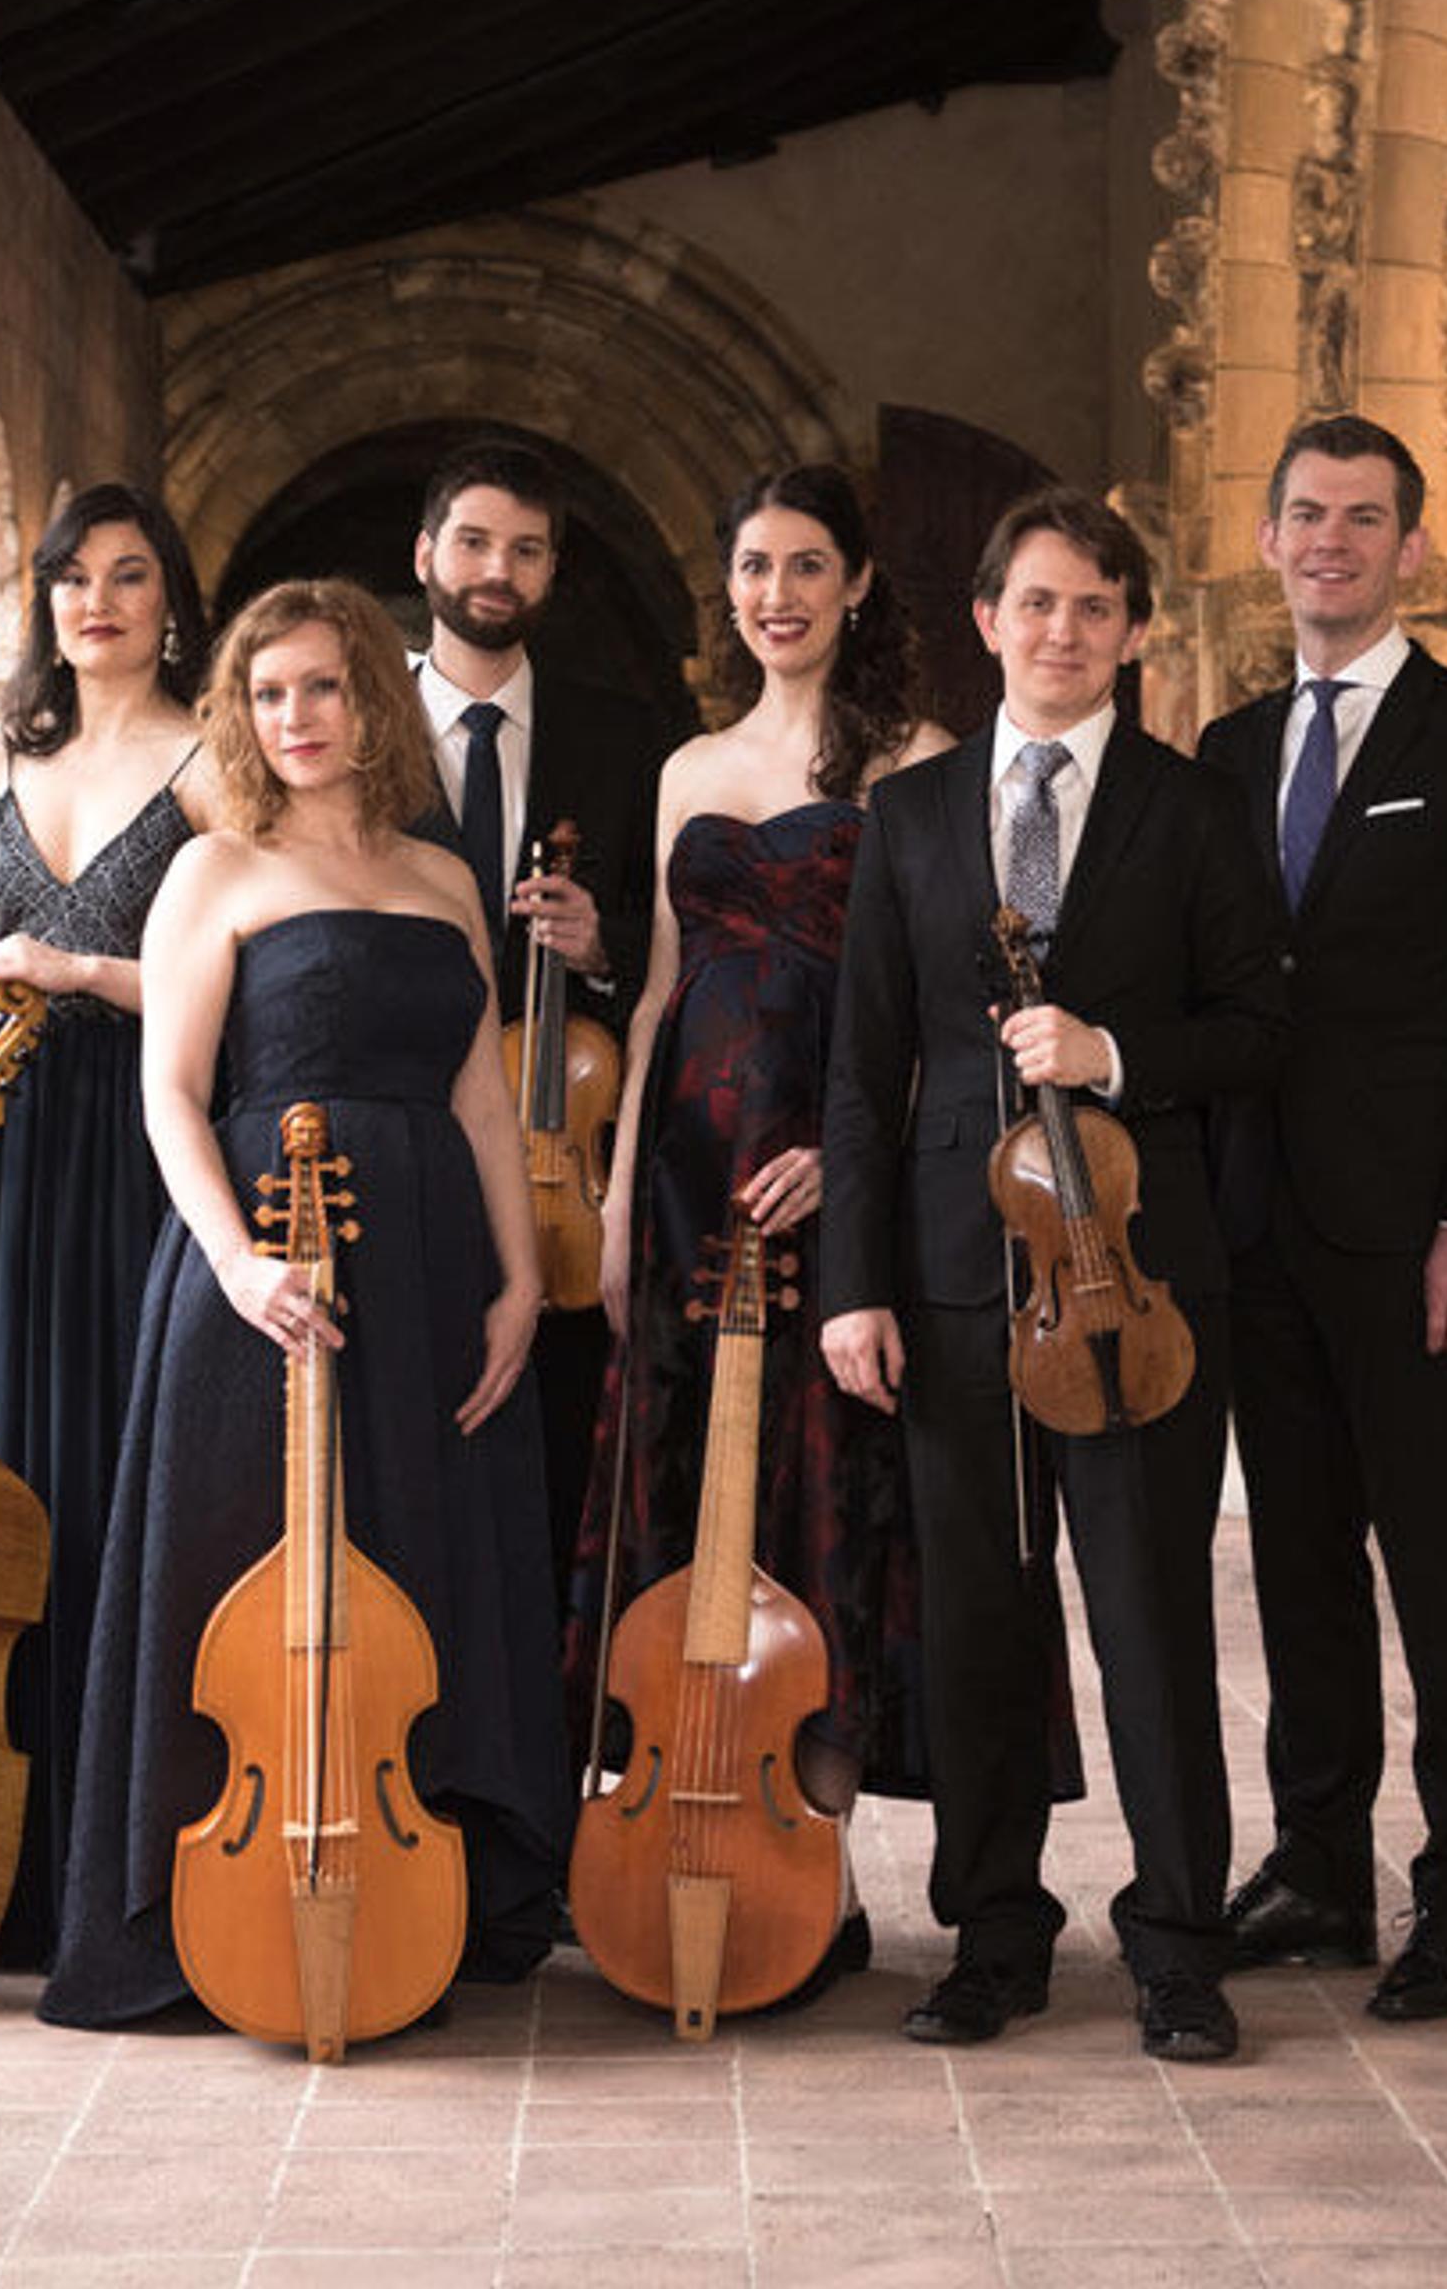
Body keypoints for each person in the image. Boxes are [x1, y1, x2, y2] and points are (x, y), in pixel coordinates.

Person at [40, 578, 572, 2029]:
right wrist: (232, 1263)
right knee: (236, 1583)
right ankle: (223, 1907)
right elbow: (171, 1093)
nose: (295, 718)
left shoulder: (444, 878)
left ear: (372, 699)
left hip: (435, 1268)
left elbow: (479, 1096)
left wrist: (522, 1277)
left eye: (322, 686)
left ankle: (418, 1898)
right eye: (267, 694)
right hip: (265, 1272)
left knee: (427, 1567)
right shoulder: (213, 870)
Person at [817, 487, 1288, 2064]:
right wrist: (855, 1283)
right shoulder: (911, 814)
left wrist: (1115, 1053)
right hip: (960, 1279)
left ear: (1134, 630)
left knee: (1151, 1619)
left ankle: (1179, 1944)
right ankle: (994, 1935)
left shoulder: (1194, 805)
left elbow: (1261, 1030)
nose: (1063, 630)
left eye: (1095, 605)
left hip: (1138, 1285)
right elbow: (862, 1069)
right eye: (1036, 601)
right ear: (986, 618)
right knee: (979, 1625)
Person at [1193, 413, 1447, 2024]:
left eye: (1361, 517)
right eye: (1306, 514)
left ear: (1410, 546)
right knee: (1299, 1571)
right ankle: (1320, 1872)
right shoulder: (1225, 751)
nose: (1330, 541)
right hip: (1256, 1234)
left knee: (1444, 1576)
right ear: (1268, 540)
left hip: (1420, 1243)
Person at [567, 465, 967, 1927]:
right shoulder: (688, 767)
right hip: (686, 1181)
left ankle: (818, 1870)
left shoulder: (919, 759)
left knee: (830, 1497)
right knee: (695, 1499)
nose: (777, 594)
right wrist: (622, 1200)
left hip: (828, 1177)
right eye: (753, 567)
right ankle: (691, 1824)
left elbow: (941, 1005)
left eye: (806, 566)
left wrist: (857, 1165)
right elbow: (661, 992)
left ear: (857, 583)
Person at [0, 480, 215, 1974]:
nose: (98, 602)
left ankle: (110, 1861)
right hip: (2, 1162)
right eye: (73, 577)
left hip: (144, 1150)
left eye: (129, 577)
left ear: (171, 602)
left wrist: (81, 974)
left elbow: (233, 971)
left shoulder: (212, 759)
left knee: (123, 1475)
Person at [409, 442, 666, 1593]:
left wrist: (603, 944)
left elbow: (676, 936)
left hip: (559, 1153)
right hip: (406, 1138)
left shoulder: (626, 737)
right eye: (474, 543)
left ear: (553, 571)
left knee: (553, 1475)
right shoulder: (351, 729)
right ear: (426, 553)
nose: (496, 571)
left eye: (525, 550)